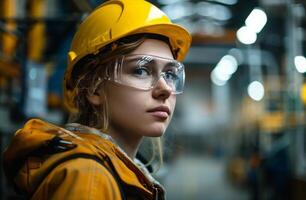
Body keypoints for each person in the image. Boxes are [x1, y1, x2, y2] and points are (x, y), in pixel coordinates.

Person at [3, 0, 191, 199]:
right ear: (94, 88)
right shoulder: (88, 178)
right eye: (141, 70)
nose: (165, 89)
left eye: (170, 74)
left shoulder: (117, 170)